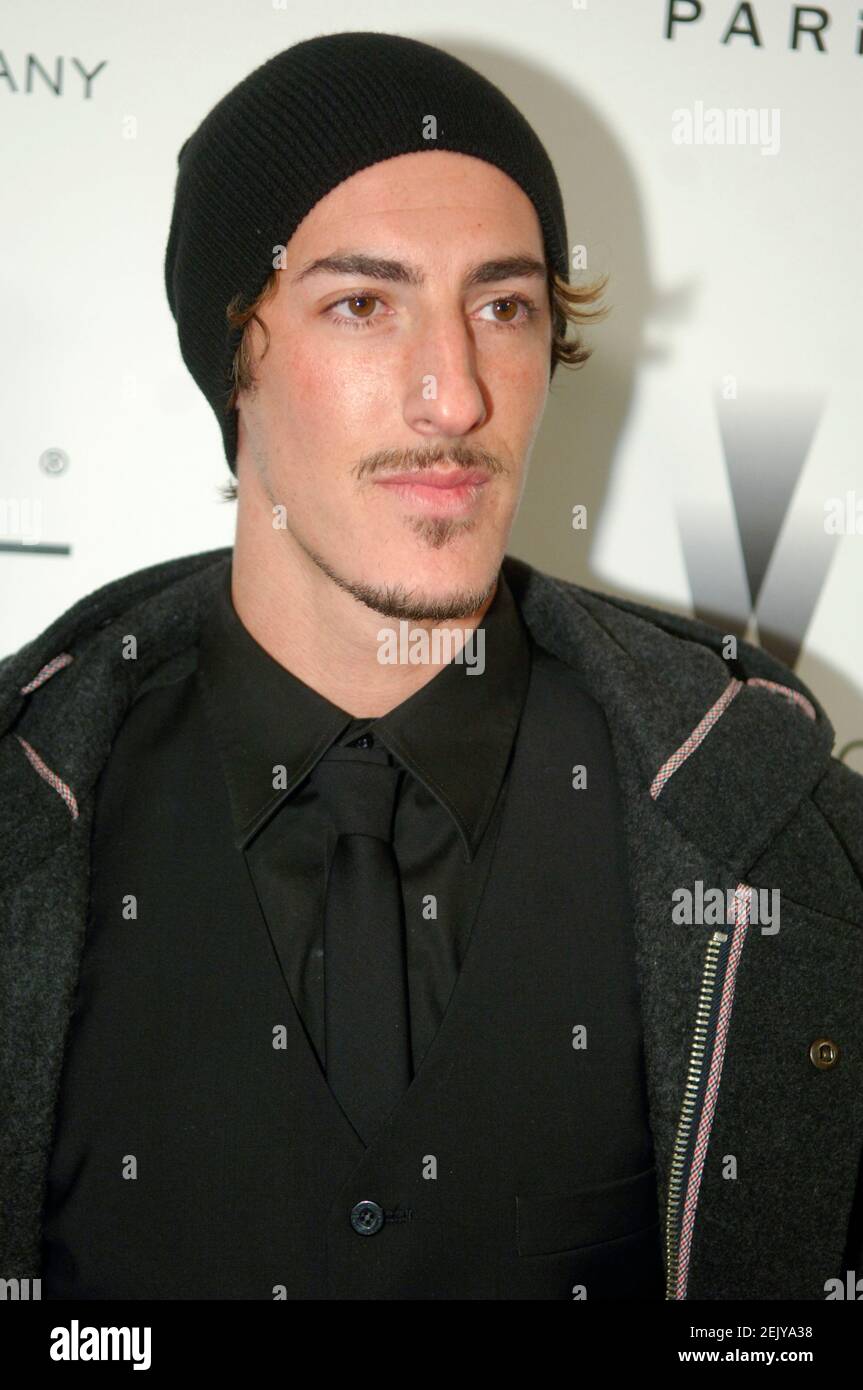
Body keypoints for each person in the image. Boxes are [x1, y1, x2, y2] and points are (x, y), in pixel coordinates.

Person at [1, 31, 861, 1302]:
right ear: (231, 351)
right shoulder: (28, 818)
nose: (453, 392)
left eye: (502, 307)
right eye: (363, 302)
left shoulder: (783, 841)